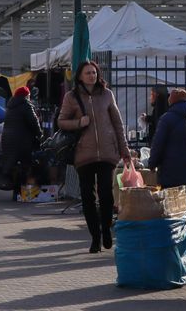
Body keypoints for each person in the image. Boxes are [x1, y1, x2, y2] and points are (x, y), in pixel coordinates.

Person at [57, 60, 129, 254]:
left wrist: (125, 150)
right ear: (80, 76)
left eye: (94, 72)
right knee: (88, 197)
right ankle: (95, 237)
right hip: (83, 153)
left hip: (107, 152)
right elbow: (62, 122)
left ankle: (106, 229)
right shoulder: (72, 97)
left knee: (106, 194)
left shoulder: (107, 94)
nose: (92, 76)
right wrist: (79, 122)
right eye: (88, 73)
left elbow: (118, 124)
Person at [147, 88, 186, 198]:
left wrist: (152, 163)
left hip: (170, 171)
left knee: (171, 206)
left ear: (171, 101)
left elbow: (158, 144)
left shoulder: (166, 119)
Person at [0, 86, 43, 190]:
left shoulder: (10, 106)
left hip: (8, 139)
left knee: (13, 164)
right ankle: (23, 189)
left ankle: (14, 187)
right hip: (22, 141)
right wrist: (40, 134)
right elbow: (34, 122)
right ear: (26, 95)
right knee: (27, 164)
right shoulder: (26, 105)